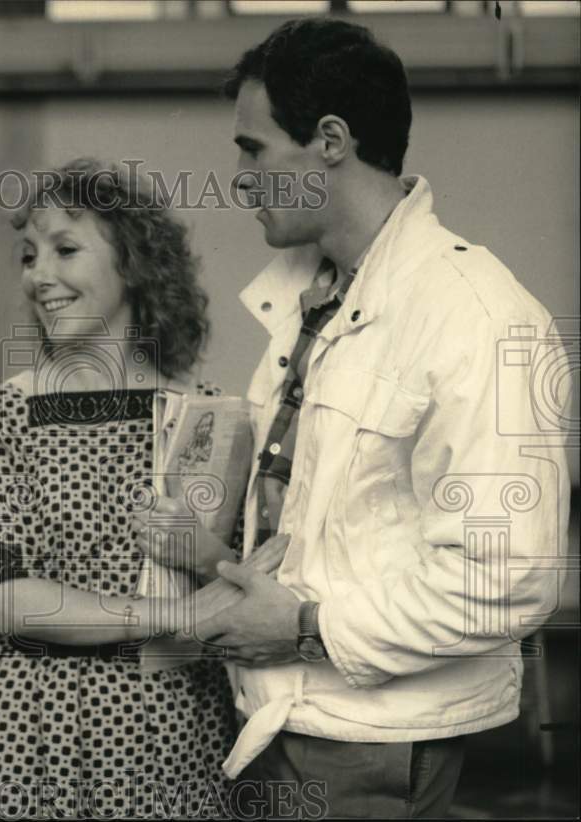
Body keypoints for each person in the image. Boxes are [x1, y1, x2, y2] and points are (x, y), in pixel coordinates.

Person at [150, 18, 571, 819]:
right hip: (277, 717)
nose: (238, 177)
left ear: (331, 140)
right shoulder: (312, 302)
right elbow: (336, 524)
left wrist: (306, 627)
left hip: (370, 745)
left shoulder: (474, 315)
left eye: (254, 148)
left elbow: (506, 579)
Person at [0, 159, 237, 818]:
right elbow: (11, 599)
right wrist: (179, 619)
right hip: (30, 732)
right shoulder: (4, 415)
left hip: (171, 731)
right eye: (28, 256)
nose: (38, 276)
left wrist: (209, 564)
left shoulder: (206, 417)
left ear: (134, 264)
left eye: (65, 250)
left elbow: (239, 586)